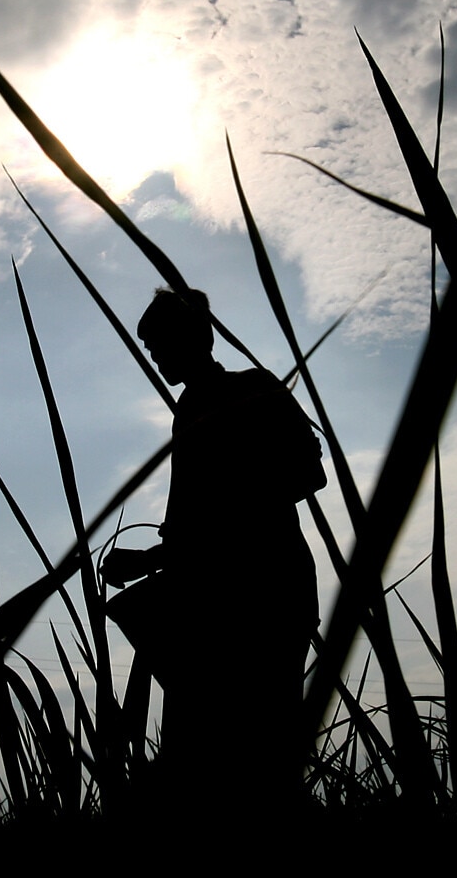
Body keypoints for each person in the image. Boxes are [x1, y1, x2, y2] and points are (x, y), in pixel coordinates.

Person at [103, 286, 324, 816]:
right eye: (151, 349)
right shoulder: (189, 409)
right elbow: (194, 524)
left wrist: (166, 553)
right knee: (209, 757)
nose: (157, 360)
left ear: (197, 338)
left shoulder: (254, 389)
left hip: (267, 594)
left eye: (162, 346)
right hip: (210, 600)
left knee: (247, 760)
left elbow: (306, 470)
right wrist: (152, 558)